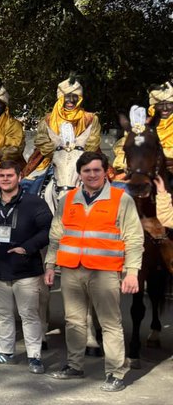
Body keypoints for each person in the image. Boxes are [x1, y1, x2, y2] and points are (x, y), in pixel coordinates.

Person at [44, 150, 144, 391]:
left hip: (105, 271)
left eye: (96, 170)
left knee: (110, 323)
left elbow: (134, 237)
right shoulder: (68, 200)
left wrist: (132, 271)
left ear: (105, 171)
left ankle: (115, 373)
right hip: (71, 269)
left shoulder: (122, 199)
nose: (91, 175)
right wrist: (50, 264)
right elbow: (56, 235)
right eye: (86, 171)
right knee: (74, 321)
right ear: (79, 174)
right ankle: (75, 365)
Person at [0, 158, 52, 371]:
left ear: (20, 177)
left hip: (26, 269)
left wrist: (26, 248)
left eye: (10, 175)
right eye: (1, 176)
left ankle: (34, 356)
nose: (5, 179)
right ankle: (5, 352)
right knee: (3, 314)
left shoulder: (35, 203)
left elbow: (47, 230)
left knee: (29, 314)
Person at [30, 77, 101, 175]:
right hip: (51, 160)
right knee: (28, 184)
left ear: (79, 98)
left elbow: (93, 142)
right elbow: (42, 140)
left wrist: (77, 156)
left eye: (75, 97)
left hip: (85, 160)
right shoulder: (48, 119)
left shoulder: (91, 118)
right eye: (67, 97)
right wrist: (58, 154)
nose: (71, 100)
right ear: (61, 98)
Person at [113, 80, 173, 170]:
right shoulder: (142, 124)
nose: (165, 108)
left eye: (169, 104)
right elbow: (124, 148)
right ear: (153, 107)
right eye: (160, 105)